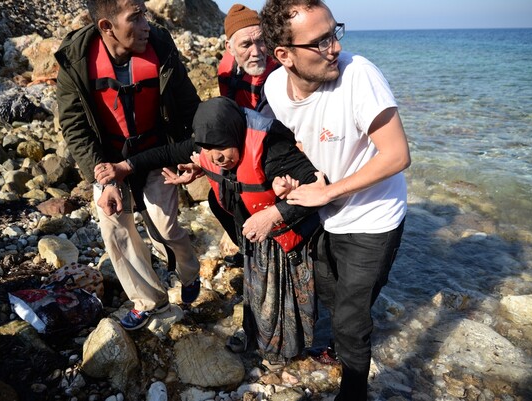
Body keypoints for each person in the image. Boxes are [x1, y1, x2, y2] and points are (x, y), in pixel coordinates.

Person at [95, 96, 323, 364]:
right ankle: (256, 337)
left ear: (237, 135)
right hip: (254, 235)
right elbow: (165, 153)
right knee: (256, 292)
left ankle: (289, 352)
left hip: (287, 238)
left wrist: (274, 214)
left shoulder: (275, 150)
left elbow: (317, 189)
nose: (217, 157)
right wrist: (123, 167)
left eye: (223, 149)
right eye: (210, 150)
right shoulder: (209, 148)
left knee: (288, 299)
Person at [260, 1, 411, 399]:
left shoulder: (358, 76)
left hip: (375, 216)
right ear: (284, 55)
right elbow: (289, 147)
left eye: (334, 33)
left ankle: (354, 390)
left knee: (349, 316)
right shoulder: (274, 87)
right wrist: (283, 180)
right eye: (320, 41)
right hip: (326, 215)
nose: (335, 48)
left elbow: (397, 155)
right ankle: (343, 343)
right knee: (329, 293)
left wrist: (328, 191)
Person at [54, 0, 202, 331]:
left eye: (144, 13)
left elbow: (190, 105)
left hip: (156, 154)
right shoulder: (75, 63)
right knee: (114, 226)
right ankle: (149, 300)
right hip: (107, 162)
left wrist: (196, 154)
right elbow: (75, 129)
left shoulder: (160, 46)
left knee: (165, 228)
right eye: (135, 17)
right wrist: (103, 180)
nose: (146, 24)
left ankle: (189, 272)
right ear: (106, 26)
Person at [214, 4, 280, 268]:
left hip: (280, 151)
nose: (256, 52)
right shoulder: (227, 73)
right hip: (248, 147)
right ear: (230, 48)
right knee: (217, 198)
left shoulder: (281, 72)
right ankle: (248, 249)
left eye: (261, 41)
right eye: (245, 45)